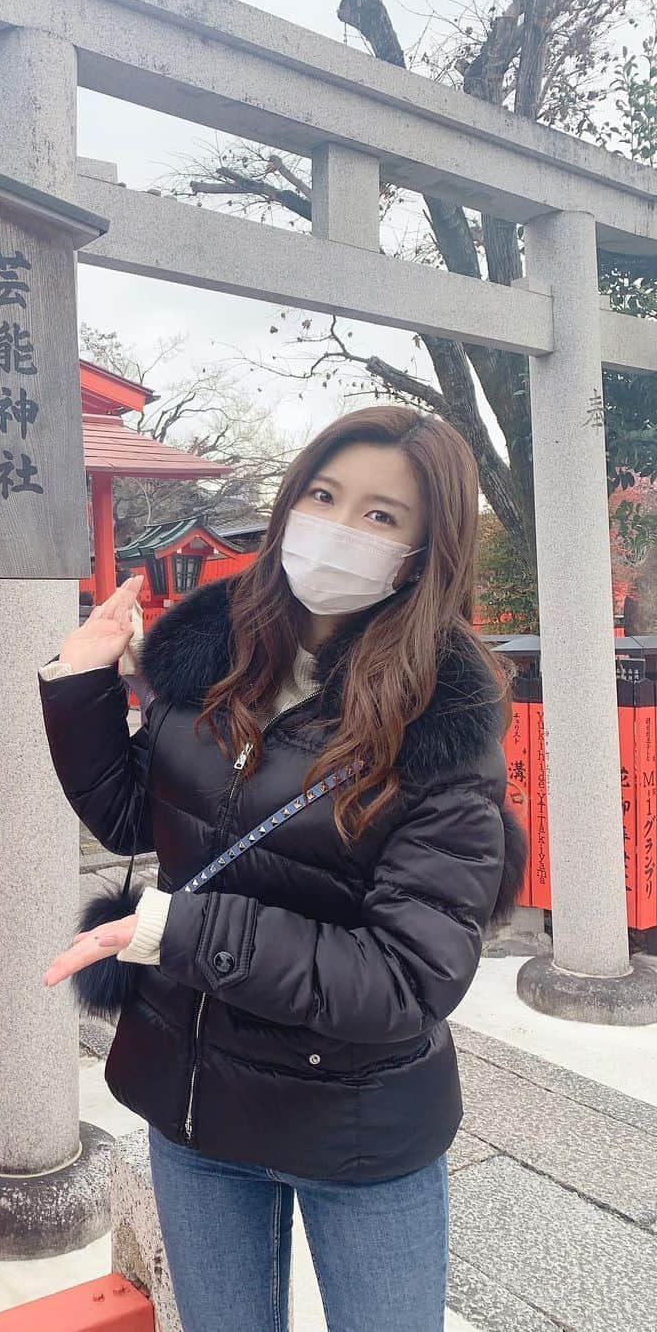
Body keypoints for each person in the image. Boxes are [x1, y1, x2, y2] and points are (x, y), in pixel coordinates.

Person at [36, 406, 526, 1332]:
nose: (340, 527)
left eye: (382, 516)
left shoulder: (442, 723)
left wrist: (181, 932)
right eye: (325, 495)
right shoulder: (220, 652)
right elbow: (139, 815)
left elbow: (406, 976)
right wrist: (82, 680)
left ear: (423, 553)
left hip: (355, 1130)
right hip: (194, 1102)